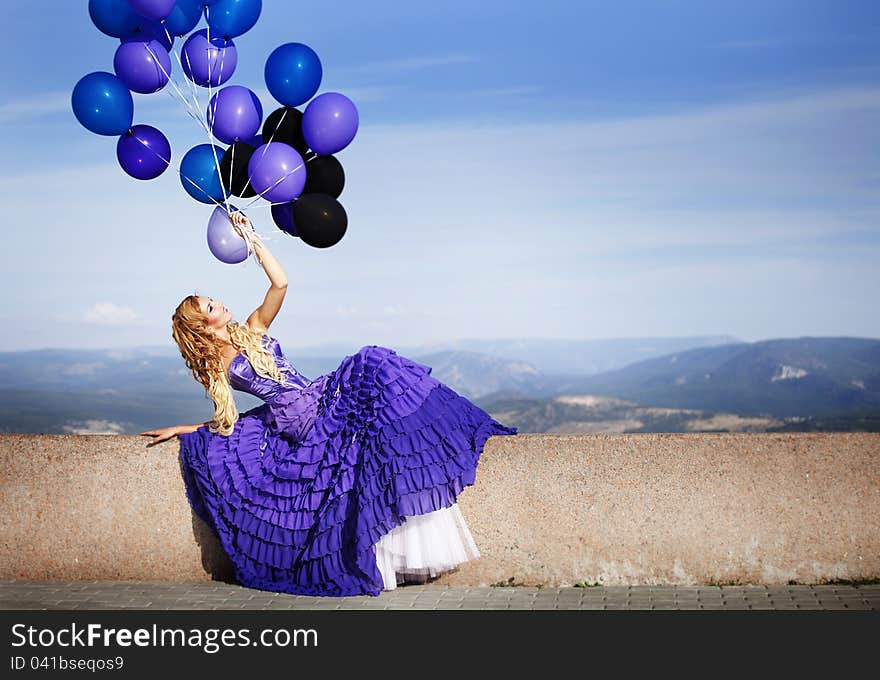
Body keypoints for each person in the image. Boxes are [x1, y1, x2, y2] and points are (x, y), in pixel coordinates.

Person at [140, 211, 518, 597]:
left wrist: (252, 239)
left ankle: (453, 428)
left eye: (213, 300)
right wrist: (185, 430)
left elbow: (280, 283)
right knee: (370, 388)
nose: (219, 303)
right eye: (210, 306)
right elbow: (226, 420)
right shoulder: (217, 366)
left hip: (319, 396)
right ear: (202, 326)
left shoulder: (252, 327)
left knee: (374, 364)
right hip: (298, 420)